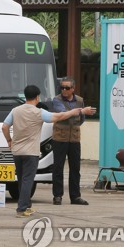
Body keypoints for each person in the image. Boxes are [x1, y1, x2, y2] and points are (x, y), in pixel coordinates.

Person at [2, 85, 90, 217]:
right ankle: (21, 209)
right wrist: (74, 112)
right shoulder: (38, 112)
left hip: (17, 151)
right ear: (37, 97)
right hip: (31, 152)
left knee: (21, 179)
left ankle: (26, 205)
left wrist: (9, 140)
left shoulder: (15, 110)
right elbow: (58, 117)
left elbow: (4, 126)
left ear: (25, 96)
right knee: (28, 180)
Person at [51, 77, 96, 206]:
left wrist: (80, 115)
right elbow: (63, 113)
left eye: (67, 88)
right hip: (60, 138)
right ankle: (57, 195)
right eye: (62, 87)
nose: (64, 90)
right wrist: (81, 111)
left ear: (73, 89)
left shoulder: (80, 100)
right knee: (58, 167)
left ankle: (75, 196)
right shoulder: (57, 100)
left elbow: (82, 119)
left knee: (75, 168)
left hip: (74, 138)